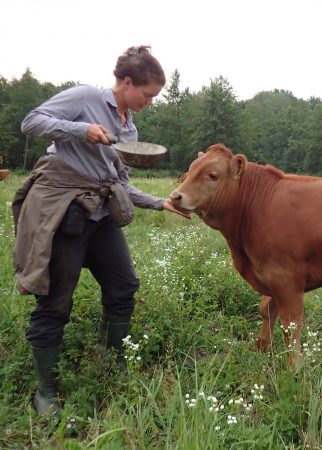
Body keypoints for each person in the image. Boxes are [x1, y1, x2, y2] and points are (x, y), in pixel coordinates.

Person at [13, 45, 189, 415]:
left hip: (101, 211)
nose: (150, 102)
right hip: (66, 209)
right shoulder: (86, 97)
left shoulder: (129, 128)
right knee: (56, 300)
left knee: (123, 284)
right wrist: (81, 130)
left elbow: (118, 182)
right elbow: (31, 121)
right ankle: (46, 390)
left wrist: (161, 203)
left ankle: (111, 361)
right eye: (147, 95)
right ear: (126, 82)